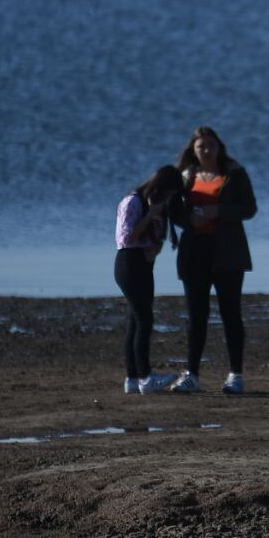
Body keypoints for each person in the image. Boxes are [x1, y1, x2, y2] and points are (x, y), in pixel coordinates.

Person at [168, 126, 257, 395]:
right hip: (195, 252)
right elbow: (172, 210)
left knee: (231, 314)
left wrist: (219, 210)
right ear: (193, 150)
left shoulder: (234, 174)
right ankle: (191, 374)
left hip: (228, 253)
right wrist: (188, 219)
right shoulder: (185, 176)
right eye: (201, 147)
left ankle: (235, 375)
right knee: (196, 315)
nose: (206, 151)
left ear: (219, 148)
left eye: (210, 146)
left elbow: (249, 208)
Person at [115, 165, 184, 395]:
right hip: (128, 262)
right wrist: (151, 214)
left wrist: (156, 247)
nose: (169, 199)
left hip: (144, 263)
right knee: (145, 319)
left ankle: (132, 378)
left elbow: (156, 238)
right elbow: (127, 236)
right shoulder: (133, 202)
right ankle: (145, 377)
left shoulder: (157, 205)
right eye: (169, 194)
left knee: (135, 320)